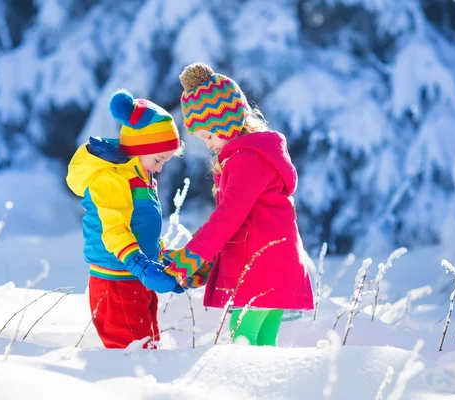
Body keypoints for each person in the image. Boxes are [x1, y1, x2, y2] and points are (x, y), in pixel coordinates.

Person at [162, 63, 314, 346]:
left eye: (208, 135)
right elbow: (240, 220)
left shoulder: (248, 160)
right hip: (274, 264)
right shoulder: (252, 157)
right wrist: (206, 257)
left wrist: (192, 256)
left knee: (243, 339)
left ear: (225, 122)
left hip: (262, 267)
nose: (208, 145)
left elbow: (228, 217)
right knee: (262, 344)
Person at [66, 90, 181, 349]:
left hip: (136, 277)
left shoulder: (142, 178)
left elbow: (142, 228)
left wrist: (163, 258)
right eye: (158, 159)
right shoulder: (113, 178)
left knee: (149, 351)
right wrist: (141, 265)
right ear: (141, 148)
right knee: (132, 356)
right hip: (116, 282)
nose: (160, 168)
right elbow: (115, 229)